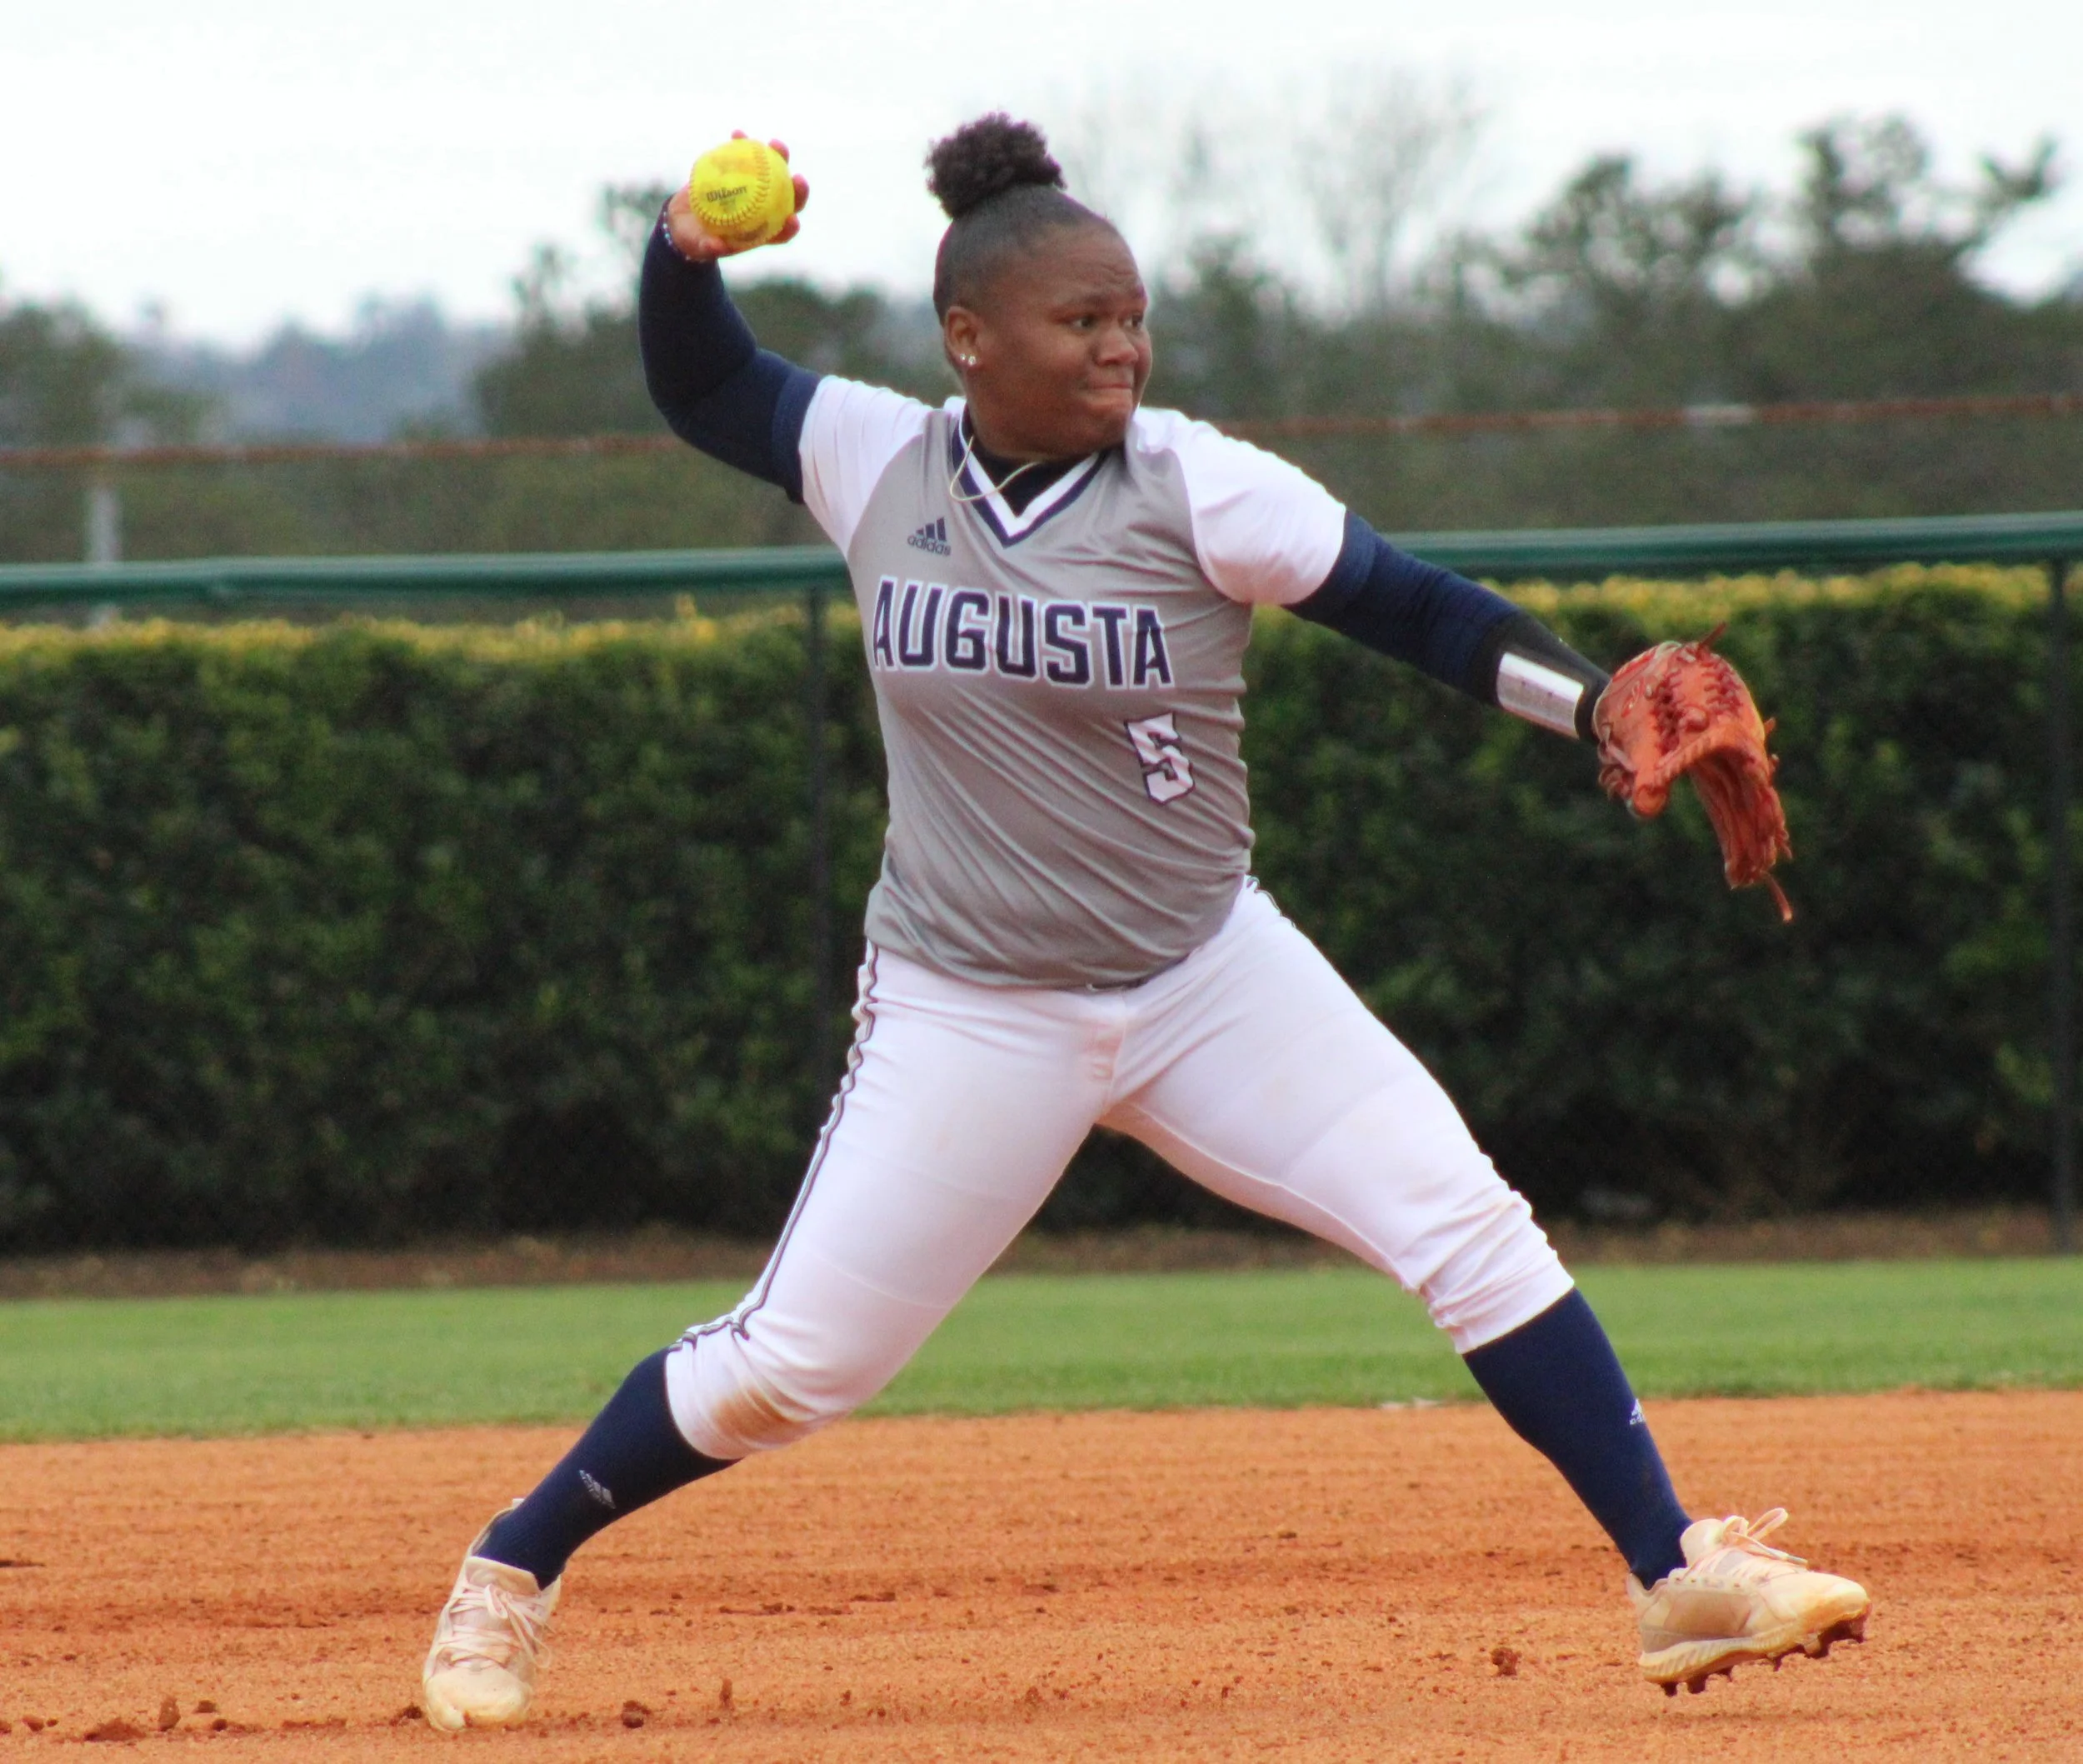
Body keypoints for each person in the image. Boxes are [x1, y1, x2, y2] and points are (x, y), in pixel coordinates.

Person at [418, 116, 1869, 1731]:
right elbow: (701, 386)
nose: (1117, 343)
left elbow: (1413, 607)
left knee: (1461, 1219)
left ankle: (1670, 1565)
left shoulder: (1193, 481)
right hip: (971, 1007)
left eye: (1129, 316)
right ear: (968, 338)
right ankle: (510, 1564)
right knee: (789, 1366)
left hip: (1205, 971)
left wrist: (1587, 699)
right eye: (1078, 320)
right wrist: (680, 249)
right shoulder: (873, 461)